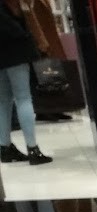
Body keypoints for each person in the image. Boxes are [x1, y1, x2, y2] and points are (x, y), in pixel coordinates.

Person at [0, 0, 60, 165]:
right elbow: (21, 15)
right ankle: (32, 148)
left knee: (4, 101)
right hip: (16, 47)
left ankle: (4, 147)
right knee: (23, 98)